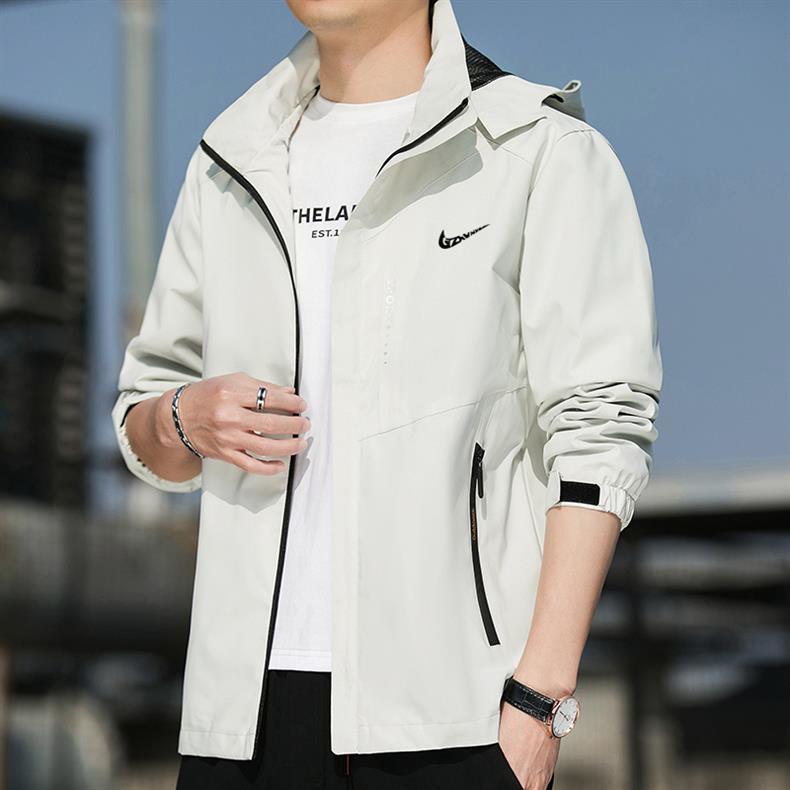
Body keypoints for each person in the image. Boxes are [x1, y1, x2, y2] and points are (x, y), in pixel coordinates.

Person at [111, 0, 663, 787]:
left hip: (456, 718)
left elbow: (600, 430)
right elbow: (143, 422)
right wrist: (182, 419)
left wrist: (541, 697)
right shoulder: (228, 159)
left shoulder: (537, 150)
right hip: (241, 724)